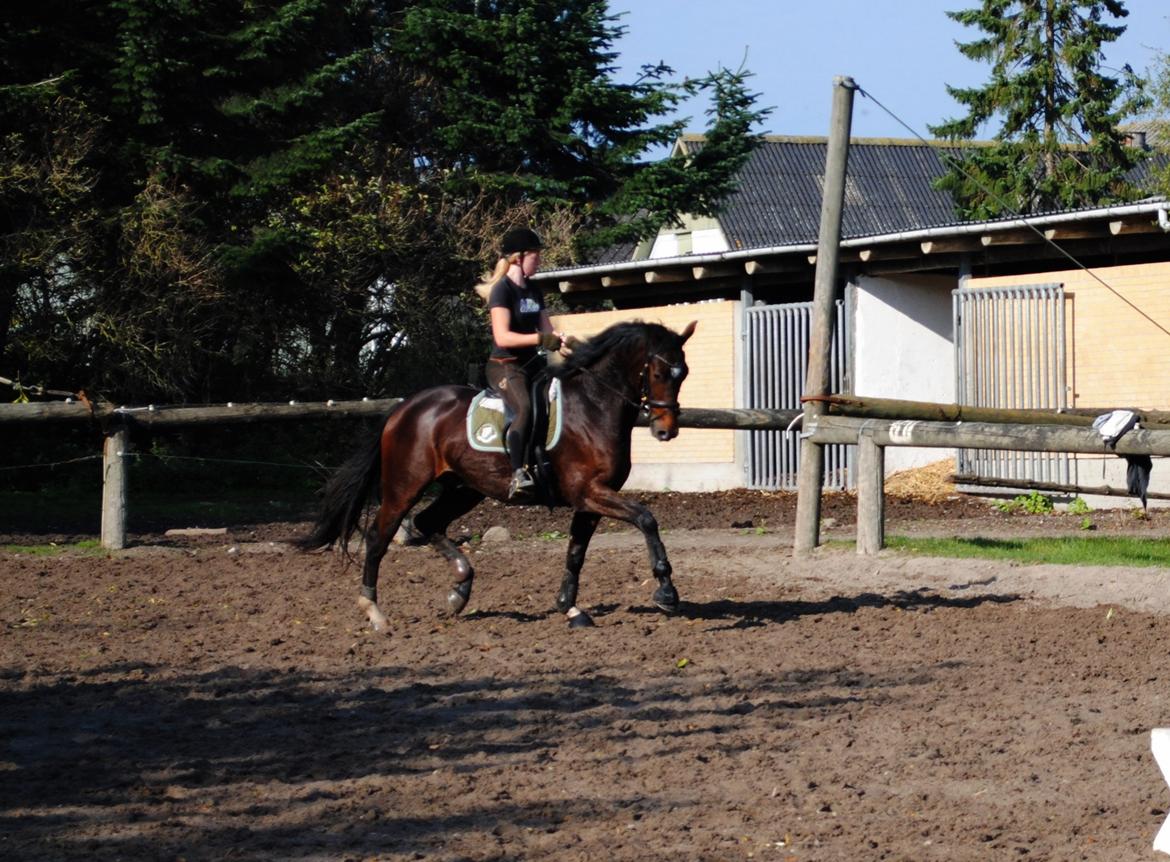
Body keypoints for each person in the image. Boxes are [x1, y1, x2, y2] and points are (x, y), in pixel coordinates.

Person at [477, 227, 571, 500]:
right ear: (519, 257)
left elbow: (547, 330)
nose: (539, 260)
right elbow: (502, 336)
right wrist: (541, 339)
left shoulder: (533, 289)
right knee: (525, 409)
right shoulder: (502, 291)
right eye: (536, 255)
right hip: (504, 365)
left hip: (532, 365)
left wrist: (562, 343)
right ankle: (518, 474)